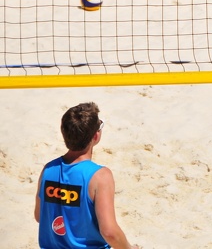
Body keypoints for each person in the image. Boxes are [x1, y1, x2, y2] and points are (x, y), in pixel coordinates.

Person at [35, 102, 140, 249]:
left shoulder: (48, 170)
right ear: (96, 136)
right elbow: (109, 232)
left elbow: (40, 216)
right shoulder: (100, 176)